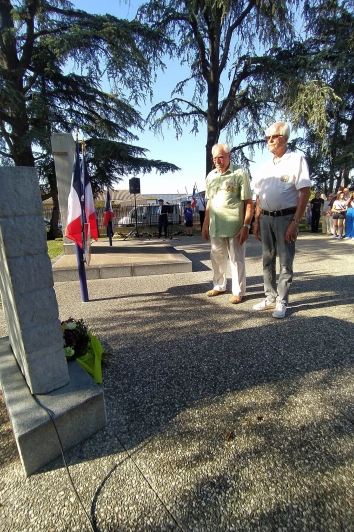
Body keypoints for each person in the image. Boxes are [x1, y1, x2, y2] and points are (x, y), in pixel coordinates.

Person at [253, 121, 311, 319]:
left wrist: (295, 222)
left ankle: (282, 301)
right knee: (267, 259)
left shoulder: (296, 160)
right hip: (266, 218)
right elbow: (259, 196)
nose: (270, 140)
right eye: (268, 137)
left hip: (286, 217)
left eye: (274, 137)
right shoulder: (264, 166)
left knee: (285, 260)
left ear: (285, 138)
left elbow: (304, 192)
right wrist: (256, 220)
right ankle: (270, 297)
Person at [202, 143, 253, 304]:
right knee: (217, 257)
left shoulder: (239, 173)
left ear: (229, 156)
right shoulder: (210, 176)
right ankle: (219, 285)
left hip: (235, 226)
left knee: (236, 260)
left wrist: (246, 226)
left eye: (221, 157)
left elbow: (248, 202)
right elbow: (209, 202)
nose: (217, 161)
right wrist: (205, 225)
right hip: (216, 225)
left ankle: (239, 291)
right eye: (215, 158)